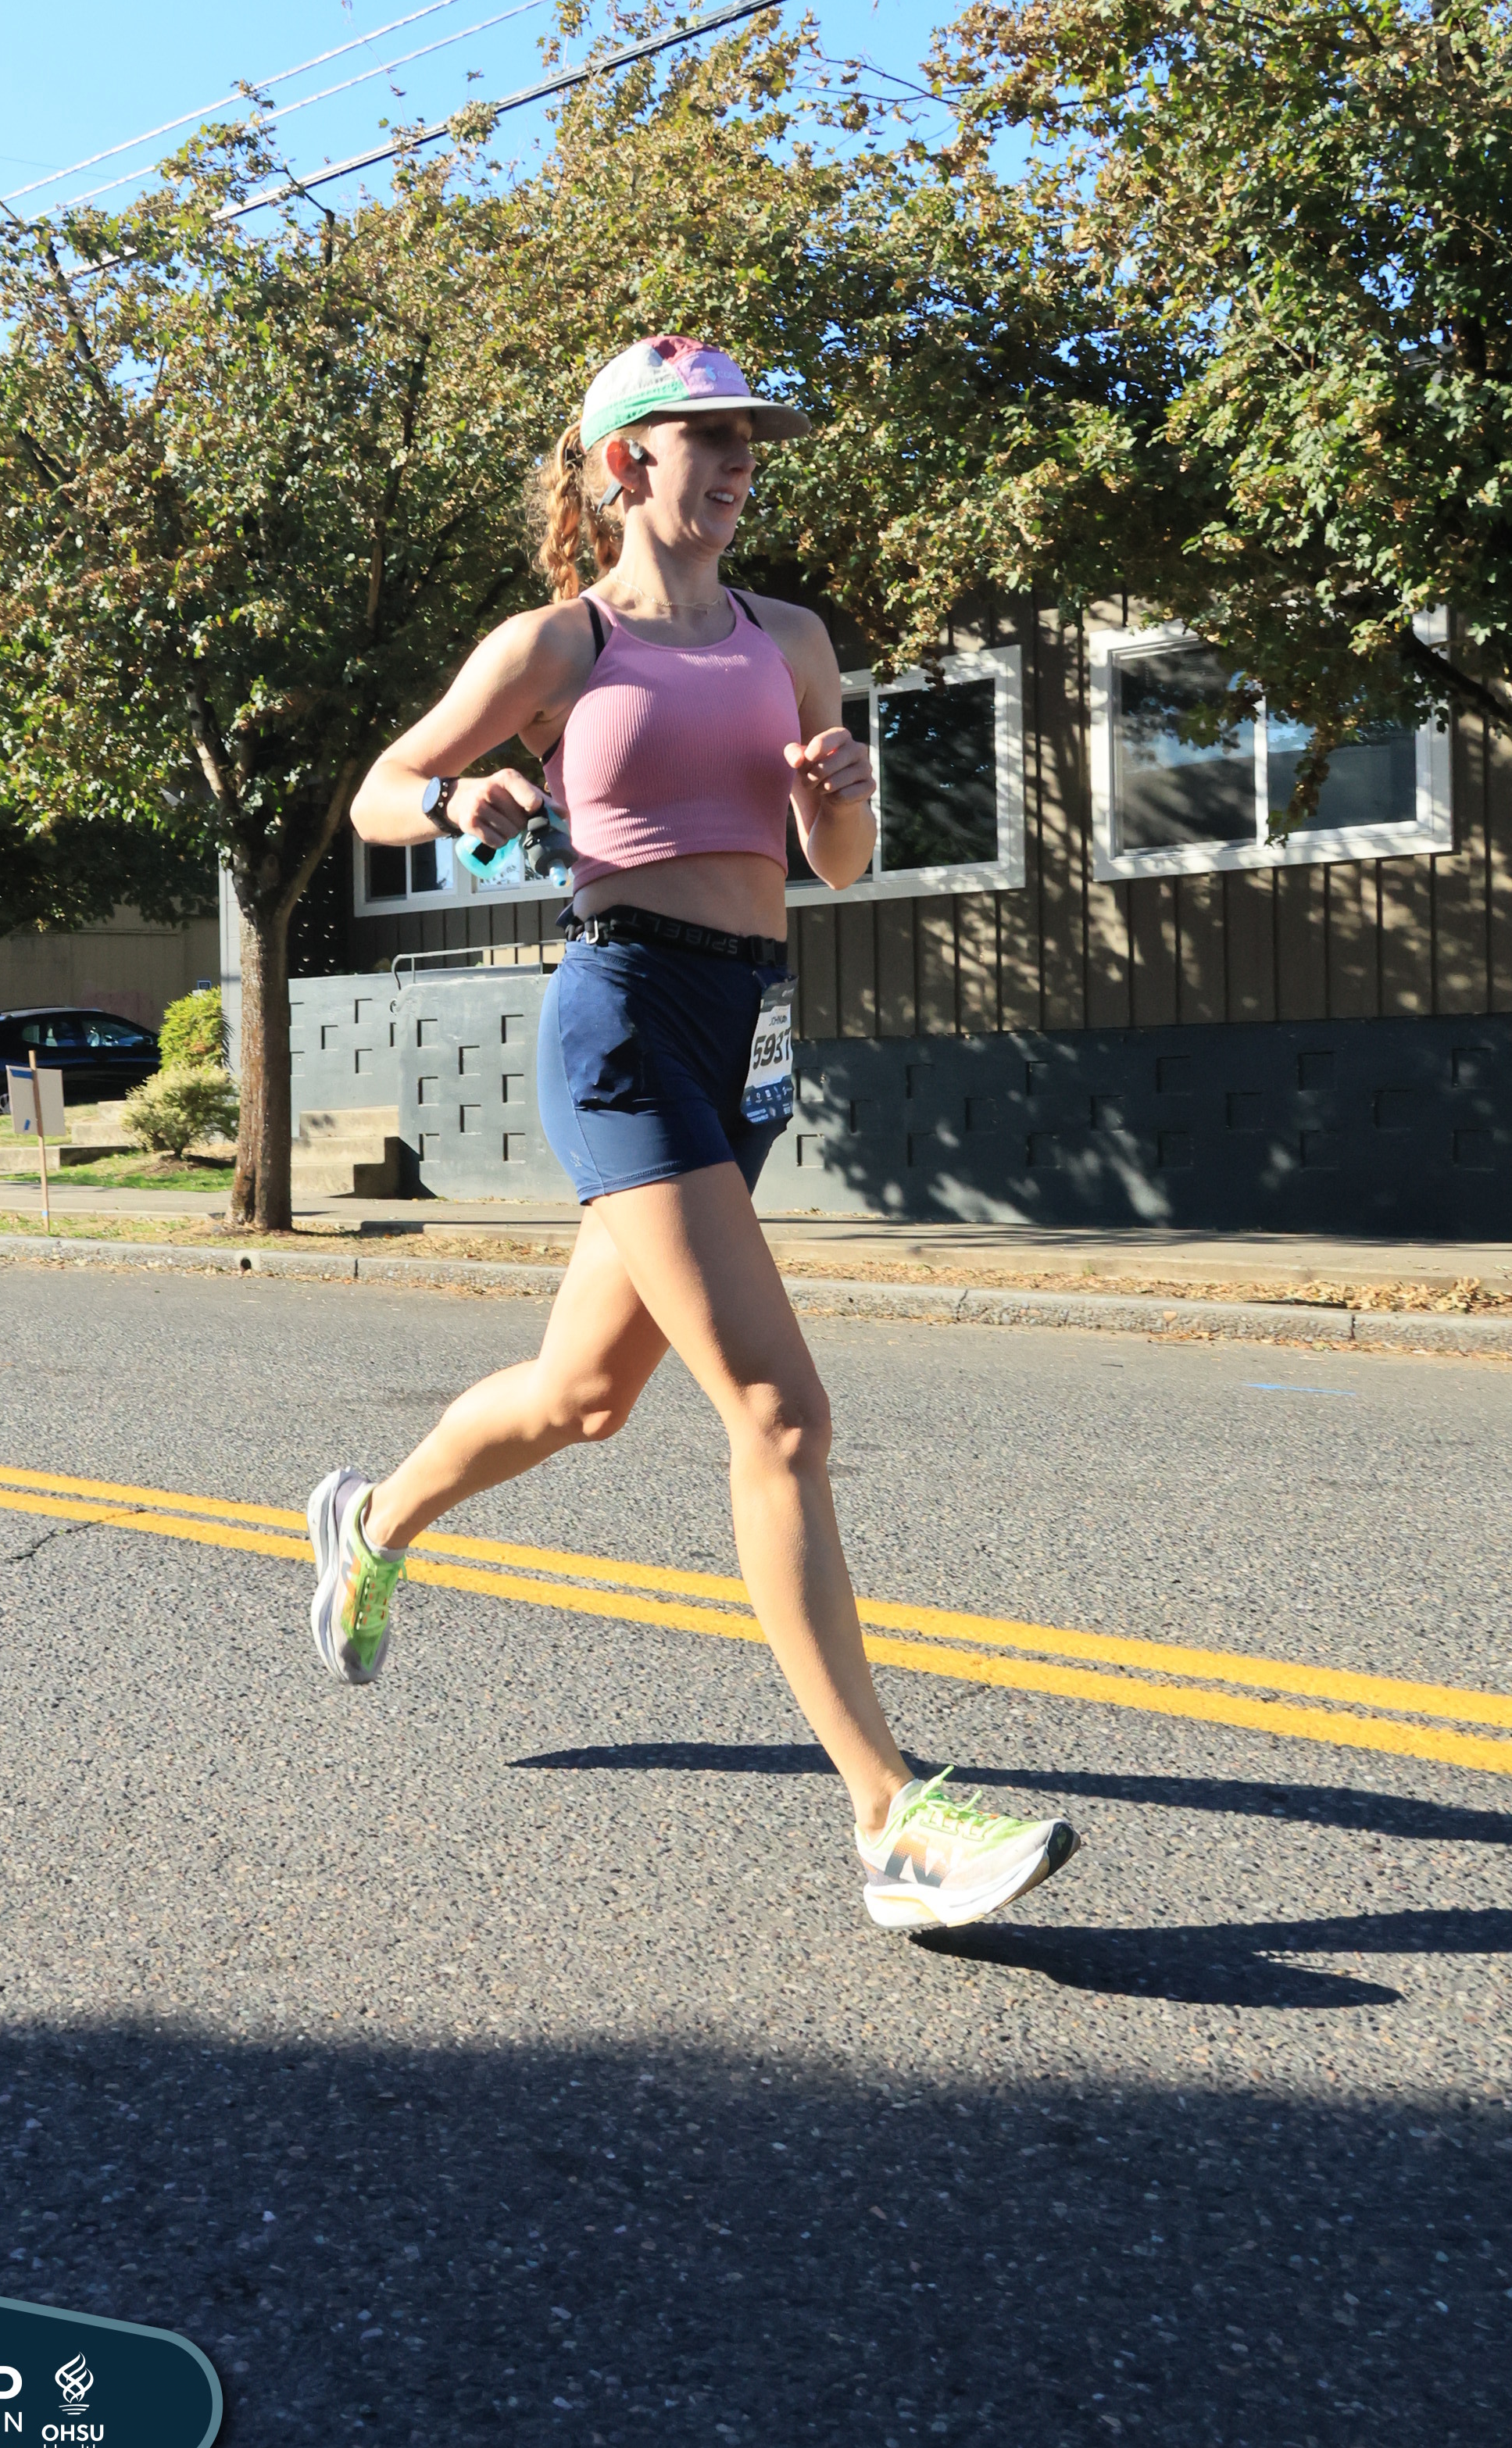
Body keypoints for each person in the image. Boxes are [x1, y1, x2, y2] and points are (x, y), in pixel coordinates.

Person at [306, 336, 1078, 1932]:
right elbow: (382, 787)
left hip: (752, 1025)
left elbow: (838, 862)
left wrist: (839, 785)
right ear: (623, 463)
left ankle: (371, 1524)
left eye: (747, 440)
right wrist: (456, 805)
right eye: (704, 436)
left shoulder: (790, 639)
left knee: (583, 1399)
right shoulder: (557, 643)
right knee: (779, 1412)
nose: (735, 464)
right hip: (623, 1017)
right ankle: (890, 1819)